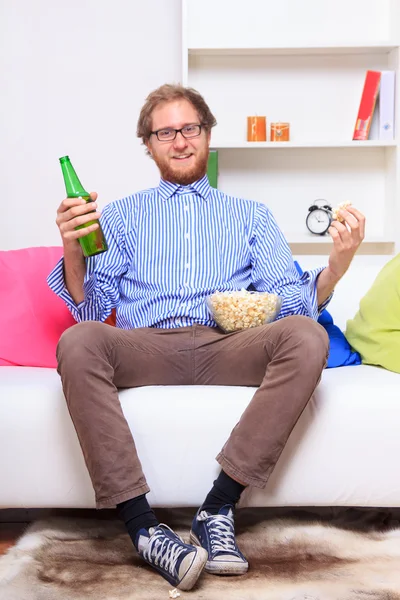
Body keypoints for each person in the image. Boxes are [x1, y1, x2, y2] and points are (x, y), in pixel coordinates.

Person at [48, 83, 365, 591]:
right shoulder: (123, 216)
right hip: (146, 344)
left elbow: (291, 296)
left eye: (189, 128)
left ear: (208, 135)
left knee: (306, 335)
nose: (179, 141)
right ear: (148, 145)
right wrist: (72, 248)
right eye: (165, 132)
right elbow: (90, 306)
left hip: (227, 345)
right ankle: (143, 528)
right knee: (79, 340)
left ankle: (217, 508)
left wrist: (337, 268)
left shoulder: (250, 215)